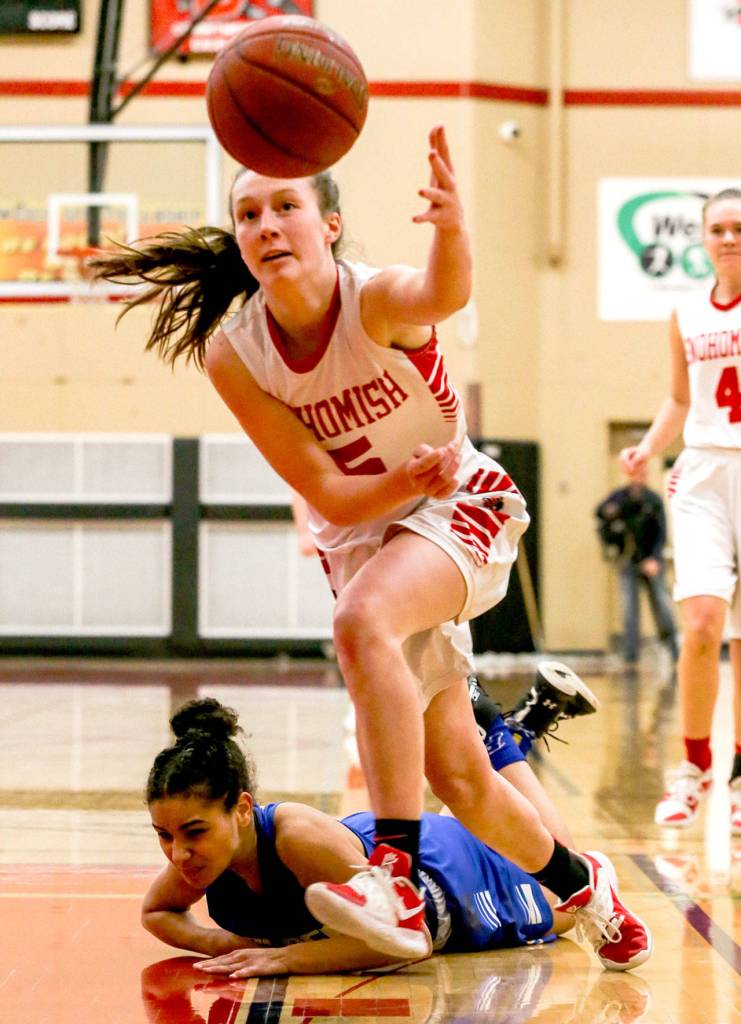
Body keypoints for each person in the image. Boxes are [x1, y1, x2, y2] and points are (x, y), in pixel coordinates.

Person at [91, 125, 650, 969]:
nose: (267, 224)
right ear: (238, 240)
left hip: (462, 504)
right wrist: (401, 489)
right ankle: (585, 888)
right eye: (248, 213)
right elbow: (327, 491)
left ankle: (388, 870)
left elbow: (444, 292)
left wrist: (454, 226)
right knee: (461, 776)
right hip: (371, 530)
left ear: (329, 225)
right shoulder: (234, 356)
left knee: (360, 625)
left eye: (287, 205)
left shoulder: (374, 300)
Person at [144, 697, 585, 976]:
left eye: (192, 832)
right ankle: (513, 731)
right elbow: (157, 912)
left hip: (437, 883)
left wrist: (284, 957)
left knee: (569, 896)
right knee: (486, 823)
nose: (178, 853)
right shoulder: (202, 856)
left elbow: (411, 943)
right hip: (377, 846)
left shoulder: (294, 839)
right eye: (164, 835)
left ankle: (499, 735)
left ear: (242, 810)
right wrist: (223, 941)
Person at [620, 187, 741, 832]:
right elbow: (679, 398)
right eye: (718, 228)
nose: (728, 237)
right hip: (703, 471)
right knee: (700, 622)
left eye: (738, 228)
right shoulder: (685, 314)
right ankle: (694, 768)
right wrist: (644, 448)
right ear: (703, 239)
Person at [595, 463, 679, 665]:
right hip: (628, 560)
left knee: (661, 606)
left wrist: (655, 558)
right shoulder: (620, 497)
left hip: (650, 560)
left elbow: (661, 532)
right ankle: (630, 656)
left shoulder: (653, 500)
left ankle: (674, 649)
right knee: (629, 609)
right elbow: (600, 513)